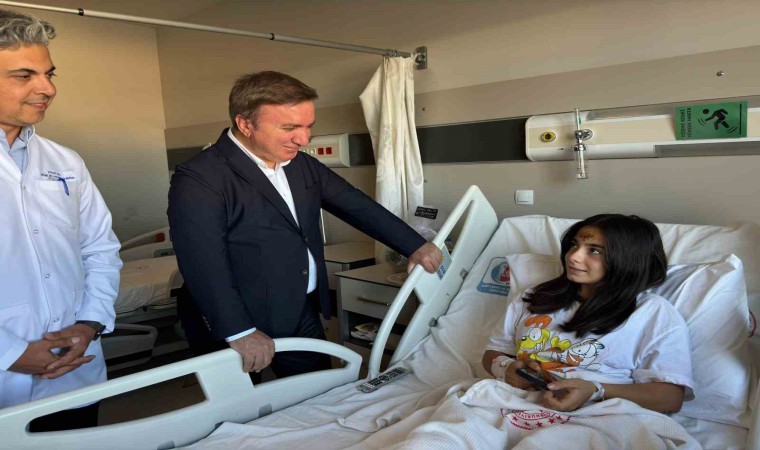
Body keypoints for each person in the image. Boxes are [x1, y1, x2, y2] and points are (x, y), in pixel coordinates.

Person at [168, 71, 442, 379]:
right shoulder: (201, 178)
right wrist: (239, 331)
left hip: (298, 306)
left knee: (317, 391)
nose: (304, 139)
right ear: (245, 124)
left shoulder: (300, 164)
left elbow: (356, 206)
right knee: (243, 406)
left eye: (308, 126)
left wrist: (414, 245)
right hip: (238, 317)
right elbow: (203, 262)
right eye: (289, 128)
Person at [0, 9, 122, 430]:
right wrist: (10, 352)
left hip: (75, 373)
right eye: (24, 76)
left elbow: (100, 250)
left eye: (49, 74)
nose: (47, 89)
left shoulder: (65, 162)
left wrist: (88, 325)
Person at [482, 214, 694, 414]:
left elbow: (670, 398)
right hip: (515, 402)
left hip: (601, 414)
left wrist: (595, 390)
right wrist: (506, 368)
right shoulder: (535, 297)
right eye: (574, 245)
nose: (573, 256)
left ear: (627, 259)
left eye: (595, 251)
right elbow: (493, 353)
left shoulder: (652, 313)